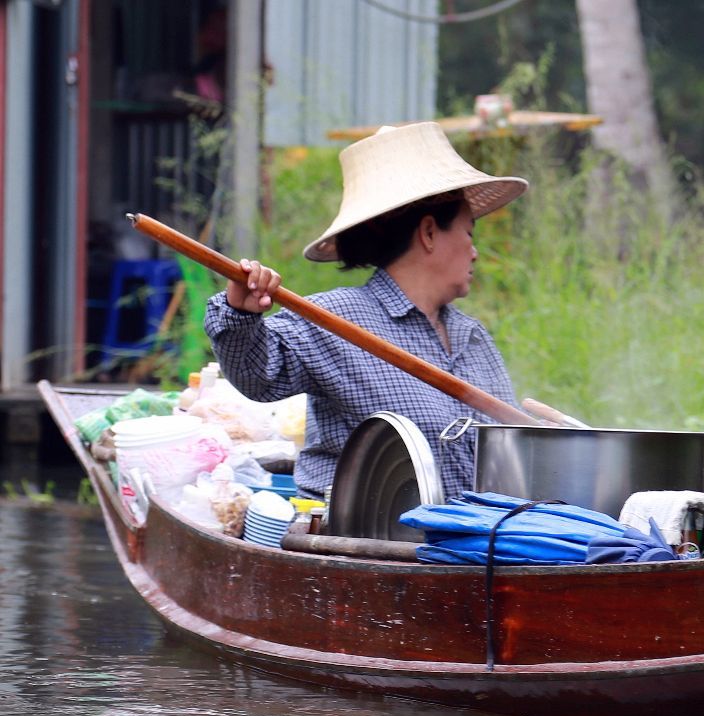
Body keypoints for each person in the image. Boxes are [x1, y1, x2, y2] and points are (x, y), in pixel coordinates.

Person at [204, 121, 528, 502]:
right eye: (469, 233)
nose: (474, 251)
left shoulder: (473, 337)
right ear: (428, 233)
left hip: (470, 546)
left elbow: (512, 449)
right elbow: (258, 375)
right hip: (372, 543)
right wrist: (240, 313)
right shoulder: (335, 320)